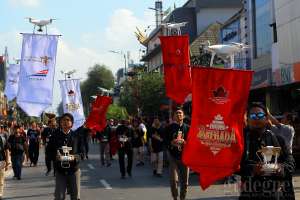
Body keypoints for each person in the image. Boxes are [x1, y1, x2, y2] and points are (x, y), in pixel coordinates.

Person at [239, 102, 295, 200]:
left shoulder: (278, 139)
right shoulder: (240, 141)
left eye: (260, 115)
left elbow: (290, 162)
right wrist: (252, 169)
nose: (257, 118)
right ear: (247, 119)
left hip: (276, 194)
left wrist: (281, 169)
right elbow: (233, 167)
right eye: (253, 115)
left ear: (266, 119)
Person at [53, 113, 82, 200]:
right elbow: (49, 152)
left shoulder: (77, 136)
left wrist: (74, 157)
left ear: (72, 123)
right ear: (60, 123)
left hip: (74, 170)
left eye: (67, 120)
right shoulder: (55, 136)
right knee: (59, 196)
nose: (65, 122)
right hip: (60, 171)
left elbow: (82, 153)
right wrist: (56, 156)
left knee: (75, 196)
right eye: (63, 120)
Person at [165, 107, 190, 200]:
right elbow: (165, 140)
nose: (179, 115)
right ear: (174, 116)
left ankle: (182, 198)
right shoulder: (169, 128)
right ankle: (175, 197)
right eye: (177, 113)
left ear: (183, 116)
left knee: (185, 182)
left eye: (180, 113)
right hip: (173, 156)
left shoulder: (188, 128)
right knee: (173, 180)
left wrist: (185, 142)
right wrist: (171, 142)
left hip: (185, 157)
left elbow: (193, 142)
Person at [0, 124, 9, 200]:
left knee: (1, 178)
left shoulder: (3, 139)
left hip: (1, 161)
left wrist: (7, 161)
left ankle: (0, 193)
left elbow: (7, 150)